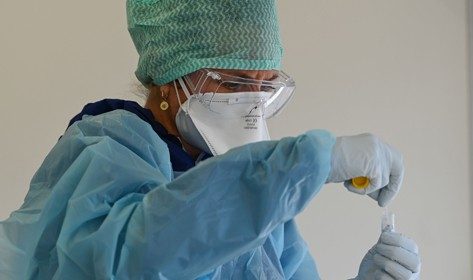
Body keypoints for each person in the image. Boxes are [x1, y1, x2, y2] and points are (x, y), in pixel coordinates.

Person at [0, 1, 421, 279]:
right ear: (170, 77)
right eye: (234, 82)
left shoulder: (254, 194)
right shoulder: (107, 149)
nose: (252, 102)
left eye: (265, 86)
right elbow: (134, 257)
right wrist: (314, 161)